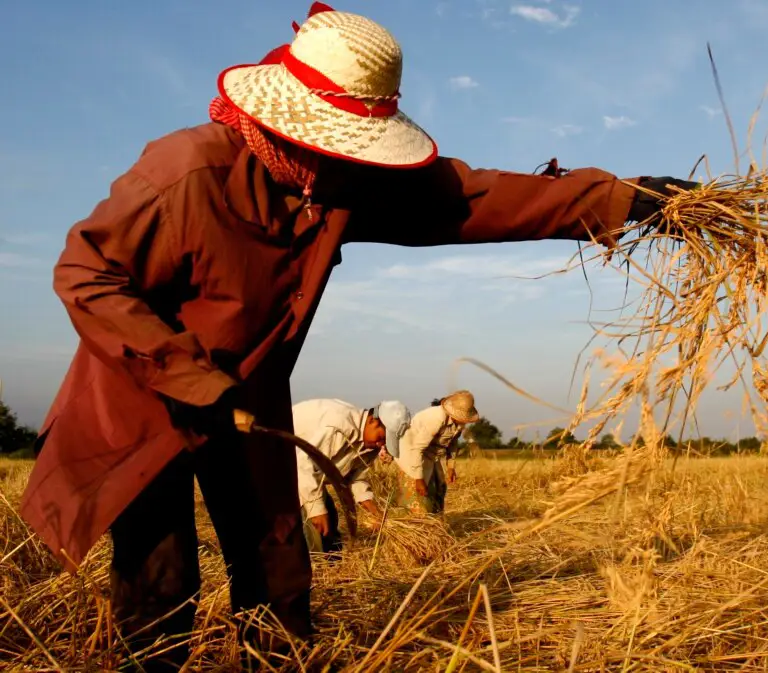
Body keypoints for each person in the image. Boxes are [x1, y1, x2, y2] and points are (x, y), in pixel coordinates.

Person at [18, 3, 698, 670]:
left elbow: (477, 196)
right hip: (145, 395)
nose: (355, 159)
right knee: (161, 584)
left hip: (251, 402)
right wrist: (194, 380)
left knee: (279, 570)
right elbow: (88, 273)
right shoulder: (184, 173)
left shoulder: (337, 185)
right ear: (291, 127)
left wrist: (622, 199)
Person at [292, 398, 411, 553]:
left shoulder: (369, 446)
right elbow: (303, 465)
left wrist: (374, 511)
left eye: (385, 442)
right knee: (313, 524)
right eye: (382, 437)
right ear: (373, 421)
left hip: (307, 474)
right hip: (282, 461)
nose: (381, 444)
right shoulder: (338, 426)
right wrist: (316, 510)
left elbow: (357, 478)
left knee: (330, 519)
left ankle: (331, 565)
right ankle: (315, 569)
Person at [395, 391, 478, 515]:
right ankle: (404, 522)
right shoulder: (436, 419)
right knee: (416, 498)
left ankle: (436, 522)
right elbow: (417, 449)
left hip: (431, 455)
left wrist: (451, 467)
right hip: (410, 453)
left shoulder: (459, 423)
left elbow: (453, 443)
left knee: (439, 488)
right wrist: (418, 479)